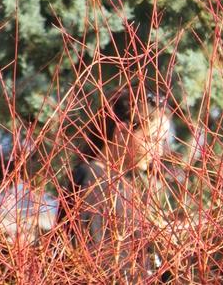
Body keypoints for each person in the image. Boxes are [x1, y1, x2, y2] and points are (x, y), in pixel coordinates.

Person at [57, 87, 170, 282]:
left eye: (162, 141)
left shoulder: (129, 188)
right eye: (151, 139)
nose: (158, 151)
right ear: (122, 132)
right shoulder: (92, 179)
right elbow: (91, 262)